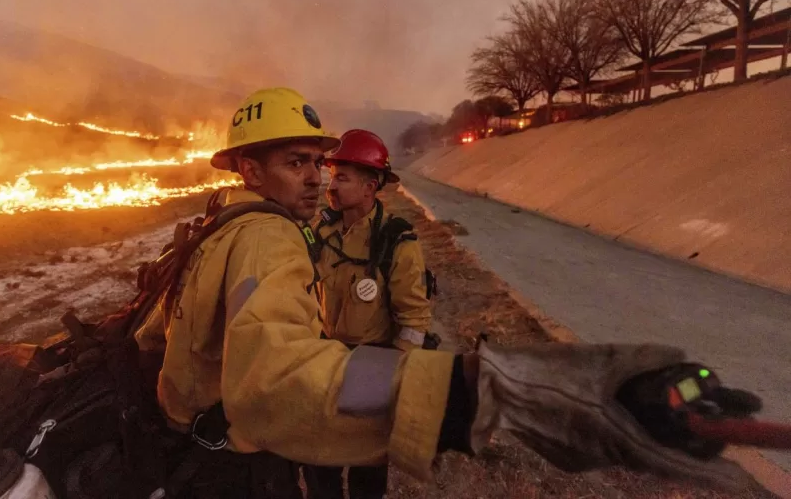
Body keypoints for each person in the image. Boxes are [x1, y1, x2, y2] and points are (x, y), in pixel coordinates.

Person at [135, 87, 748, 499]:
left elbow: (164, 342)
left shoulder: (218, 227)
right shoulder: (269, 239)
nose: (319, 179)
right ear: (249, 170)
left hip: (222, 437)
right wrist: (477, 392)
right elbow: (277, 376)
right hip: (235, 458)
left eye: (322, 165)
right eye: (298, 162)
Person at [303, 129, 434, 498]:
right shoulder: (321, 230)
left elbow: (413, 320)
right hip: (324, 362)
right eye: (331, 176)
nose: (331, 186)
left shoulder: (397, 241)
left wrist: (397, 380)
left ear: (370, 186)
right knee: (319, 465)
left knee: (366, 472)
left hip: (372, 366)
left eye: (342, 178)